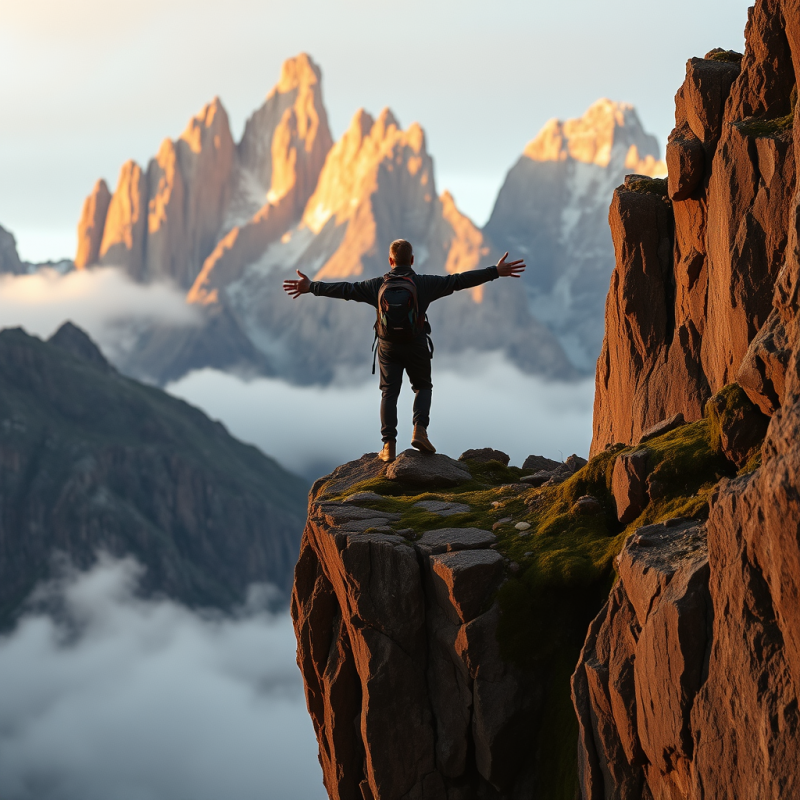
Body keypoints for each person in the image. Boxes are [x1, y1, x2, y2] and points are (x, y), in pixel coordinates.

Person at [282, 239, 526, 463]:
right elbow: (458, 281)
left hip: (387, 347)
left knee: (389, 392)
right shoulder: (424, 284)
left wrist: (311, 286)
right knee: (423, 386)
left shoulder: (375, 285)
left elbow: (345, 289)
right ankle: (420, 430)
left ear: (390, 261)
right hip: (416, 343)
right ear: (412, 260)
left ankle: (388, 446)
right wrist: (495, 271)